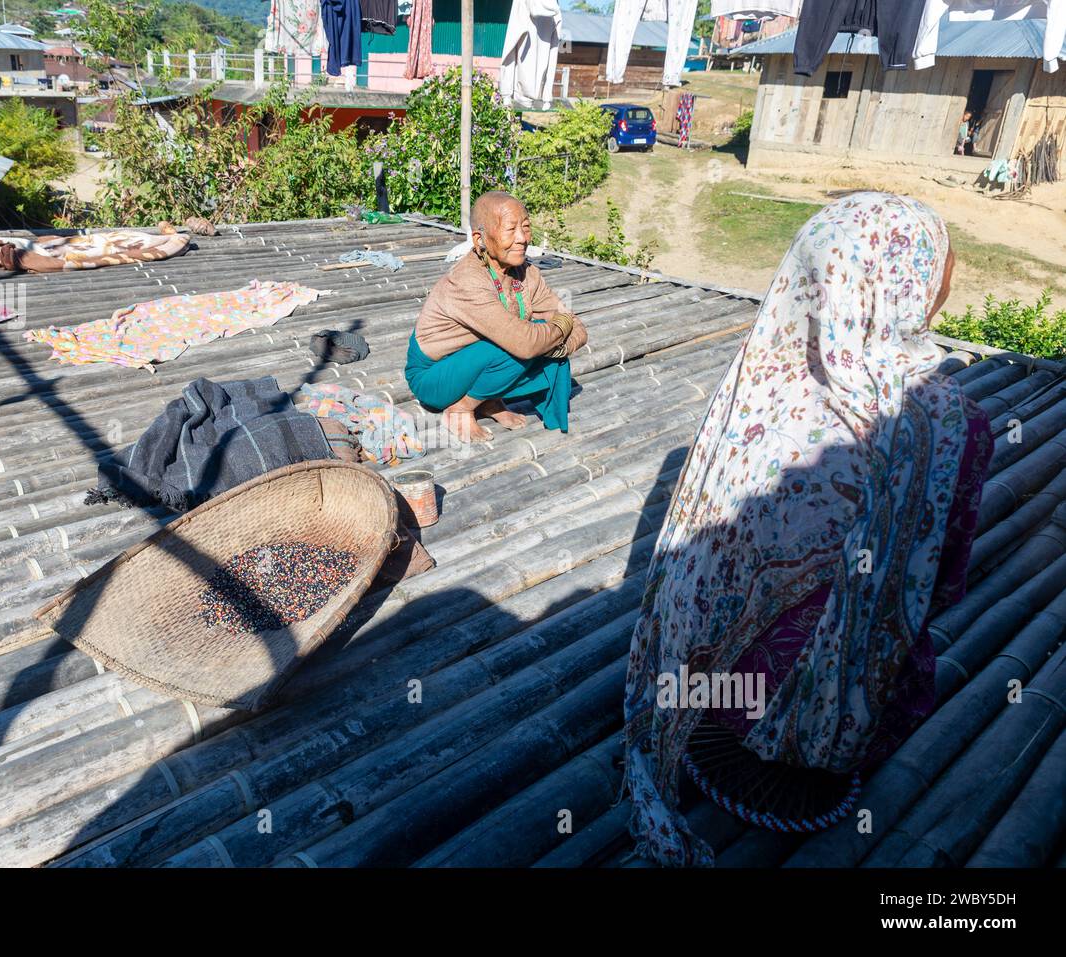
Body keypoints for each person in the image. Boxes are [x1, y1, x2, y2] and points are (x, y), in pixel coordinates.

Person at [619, 192, 993, 866]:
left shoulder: (757, 382)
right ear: (905, 287)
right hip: (839, 728)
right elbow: (946, 585)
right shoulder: (948, 423)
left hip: (704, 693)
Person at [405, 191, 588, 442]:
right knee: (519, 344)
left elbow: (578, 327)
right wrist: (560, 327)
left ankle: (489, 400)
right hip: (434, 376)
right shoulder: (467, 281)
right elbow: (532, 338)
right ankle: (461, 408)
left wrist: (557, 342)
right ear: (480, 239)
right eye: (510, 229)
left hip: (475, 361)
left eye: (525, 227)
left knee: (540, 345)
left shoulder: (526, 272)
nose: (522, 238)